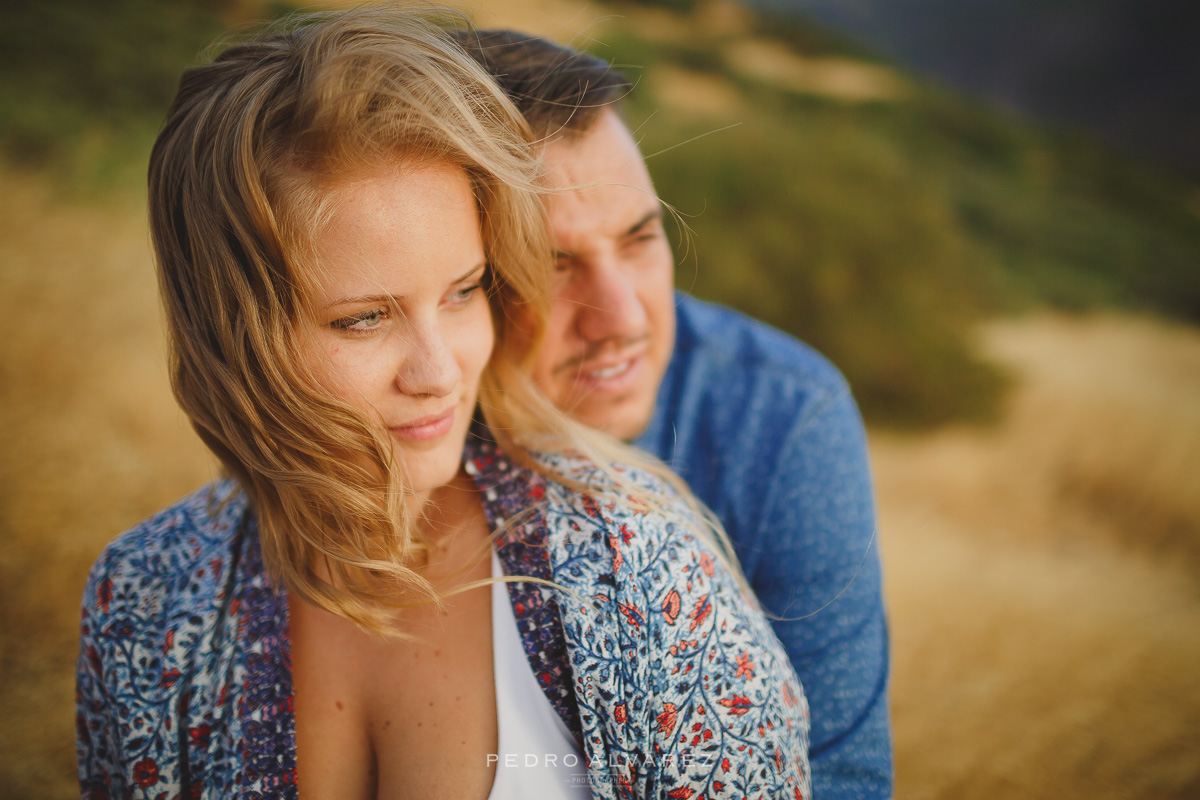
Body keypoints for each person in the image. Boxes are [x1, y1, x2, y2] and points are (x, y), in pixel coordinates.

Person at [75, 8, 812, 800]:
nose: (439, 372)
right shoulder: (144, 598)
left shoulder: (637, 565)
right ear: (227, 332)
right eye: (364, 318)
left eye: (464, 293)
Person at [458, 30, 893, 799]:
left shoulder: (782, 413)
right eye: (551, 267)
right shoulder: (402, 424)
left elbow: (841, 774)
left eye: (640, 238)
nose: (622, 318)